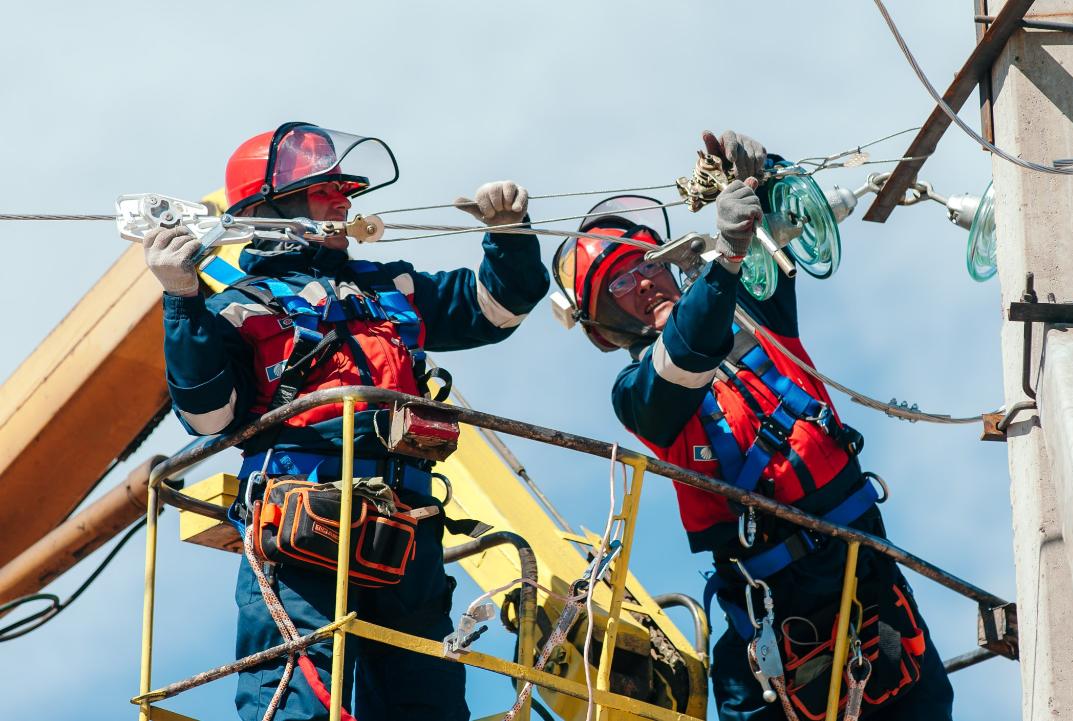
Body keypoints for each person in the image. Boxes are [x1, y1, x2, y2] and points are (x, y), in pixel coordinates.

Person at [142, 121, 548, 721]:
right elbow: (206, 418)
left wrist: (509, 235)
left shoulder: (389, 287)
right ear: (271, 207)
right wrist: (180, 297)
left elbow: (496, 310)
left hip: (408, 530)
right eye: (324, 190)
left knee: (427, 705)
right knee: (299, 701)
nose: (345, 202)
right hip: (301, 527)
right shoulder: (231, 306)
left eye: (345, 190)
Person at [552, 131, 954, 720]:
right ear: (600, 329)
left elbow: (789, 221)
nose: (643, 281)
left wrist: (760, 173)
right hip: (772, 608)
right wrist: (728, 258)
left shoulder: (758, 316)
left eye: (646, 263)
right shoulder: (638, 394)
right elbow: (685, 356)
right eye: (618, 283)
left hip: (866, 577)